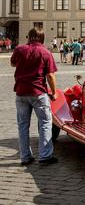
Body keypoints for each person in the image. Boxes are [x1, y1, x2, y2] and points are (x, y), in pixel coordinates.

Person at [11, 27, 58, 165]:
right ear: (42, 38)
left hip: (20, 92)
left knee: (23, 125)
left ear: (29, 37)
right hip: (38, 93)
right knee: (45, 123)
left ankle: (25, 157)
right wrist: (54, 92)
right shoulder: (45, 52)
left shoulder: (19, 49)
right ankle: (45, 156)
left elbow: (13, 63)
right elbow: (50, 75)